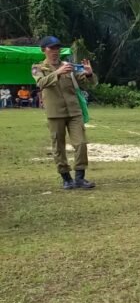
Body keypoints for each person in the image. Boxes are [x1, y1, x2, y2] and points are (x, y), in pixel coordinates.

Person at [32, 36, 98, 189]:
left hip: (74, 111)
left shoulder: (69, 66)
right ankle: (66, 178)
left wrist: (88, 74)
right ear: (44, 50)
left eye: (57, 48)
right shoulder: (38, 68)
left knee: (81, 143)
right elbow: (41, 83)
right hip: (55, 113)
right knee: (58, 146)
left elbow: (87, 83)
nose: (55, 51)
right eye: (51, 48)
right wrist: (58, 72)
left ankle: (80, 178)